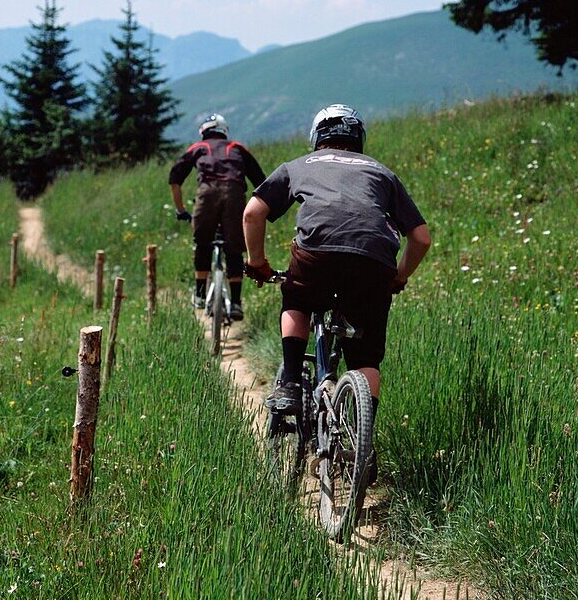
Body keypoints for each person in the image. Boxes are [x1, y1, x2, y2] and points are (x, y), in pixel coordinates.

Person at [242, 104, 430, 423]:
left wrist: (257, 262)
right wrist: (398, 277)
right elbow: (421, 238)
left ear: (317, 137)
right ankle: (361, 440)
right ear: (359, 138)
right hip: (375, 263)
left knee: (297, 301)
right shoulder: (382, 172)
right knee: (366, 357)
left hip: (317, 255)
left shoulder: (298, 165)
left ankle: (289, 382)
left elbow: (251, 213)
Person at [169, 113, 266, 321]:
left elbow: (174, 178)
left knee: (202, 243)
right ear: (224, 131)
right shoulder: (238, 147)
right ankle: (237, 303)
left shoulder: (198, 147)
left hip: (208, 192)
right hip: (234, 194)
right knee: (234, 249)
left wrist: (180, 209)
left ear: (203, 131)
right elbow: (261, 182)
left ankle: (200, 295)